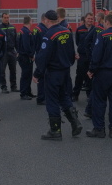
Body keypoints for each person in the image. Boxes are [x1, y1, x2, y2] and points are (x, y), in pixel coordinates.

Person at [33, 10, 83, 140]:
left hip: (53, 72)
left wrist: (37, 73)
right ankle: (75, 123)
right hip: (65, 71)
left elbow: (43, 56)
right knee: (64, 97)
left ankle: (55, 130)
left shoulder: (49, 35)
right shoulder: (66, 31)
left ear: (47, 20)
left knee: (52, 100)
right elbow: (72, 52)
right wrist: (68, 63)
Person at [72, 13, 94, 102]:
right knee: (80, 75)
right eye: (88, 18)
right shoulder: (79, 29)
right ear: (85, 19)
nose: (90, 20)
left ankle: (89, 95)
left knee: (90, 75)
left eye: (91, 19)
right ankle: (75, 94)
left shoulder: (95, 29)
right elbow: (77, 42)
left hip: (92, 56)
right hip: (82, 55)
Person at [16, 15, 36, 100]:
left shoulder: (22, 31)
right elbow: (26, 46)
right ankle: (23, 93)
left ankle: (28, 91)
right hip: (25, 57)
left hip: (23, 56)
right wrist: (31, 55)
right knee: (25, 75)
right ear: (30, 21)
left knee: (28, 75)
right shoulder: (26, 32)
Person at [31, 14, 49, 105]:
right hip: (42, 55)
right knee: (42, 77)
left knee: (42, 76)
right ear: (44, 20)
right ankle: (41, 98)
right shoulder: (43, 30)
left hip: (38, 54)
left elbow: (33, 43)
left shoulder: (36, 28)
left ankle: (42, 96)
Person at [0, 13, 18, 93]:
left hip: (12, 51)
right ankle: (4, 87)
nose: (6, 19)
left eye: (7, 17)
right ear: (2, 18)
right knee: (2, 71)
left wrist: (17, 51)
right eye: (5, 17)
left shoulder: (12, 27)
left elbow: (16, 40)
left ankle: (13, 86)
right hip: (3, 52)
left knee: (13, 70)